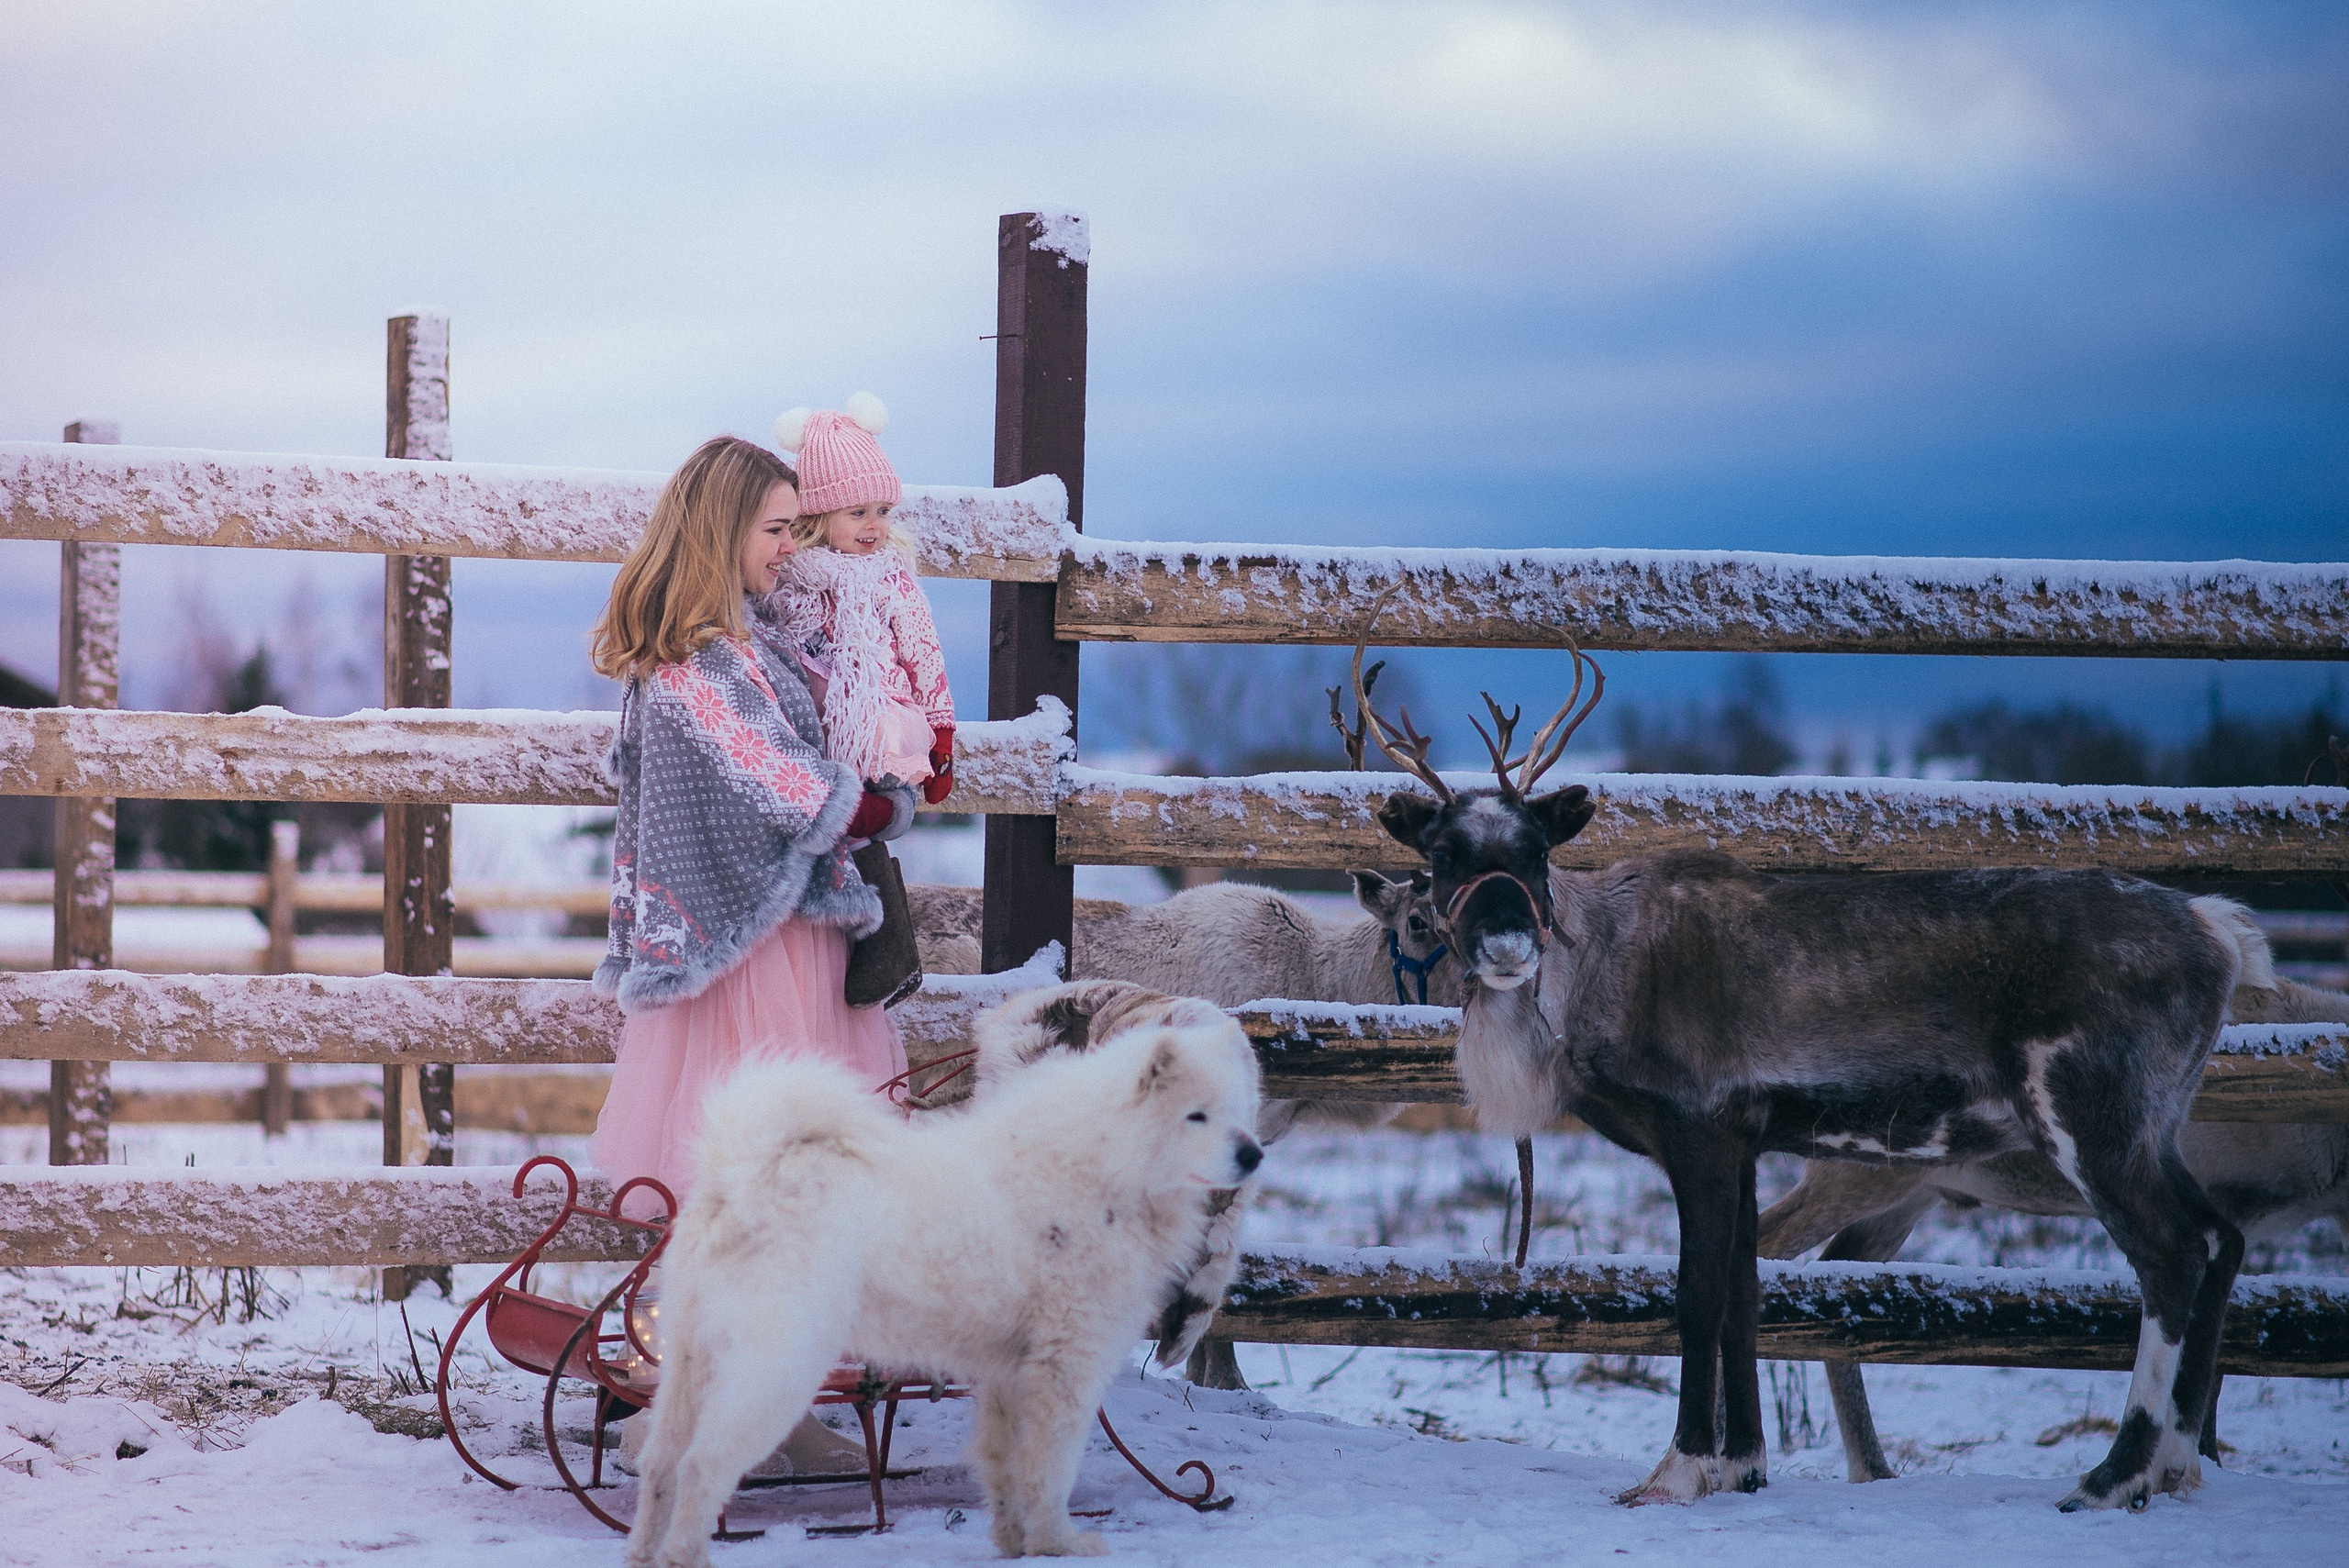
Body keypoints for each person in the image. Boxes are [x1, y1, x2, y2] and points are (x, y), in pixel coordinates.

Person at [585, 433, 914, 1474]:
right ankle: (683, 1406)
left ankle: (780, 1404)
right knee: (749, 1181)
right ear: (721, 529)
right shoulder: (693, 661)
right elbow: (771, 774)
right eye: (775, 528)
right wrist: (862, 801)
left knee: (804, 1186)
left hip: (788, 938)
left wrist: (894, 755)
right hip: (744, 956)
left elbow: (824, 732)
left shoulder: (755, 639)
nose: (789, 546)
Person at [768, 395, 954, 1006]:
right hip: (818, 733)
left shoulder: (890, 575)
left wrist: (942, 727)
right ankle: (862, 949)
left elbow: (923, 651)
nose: (874, 525)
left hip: (878, 725)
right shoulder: (794, 577)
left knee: (865, 826)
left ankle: (887, 945)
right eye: (858, 512)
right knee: (830, 830)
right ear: (820, 514)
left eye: (881, 510)